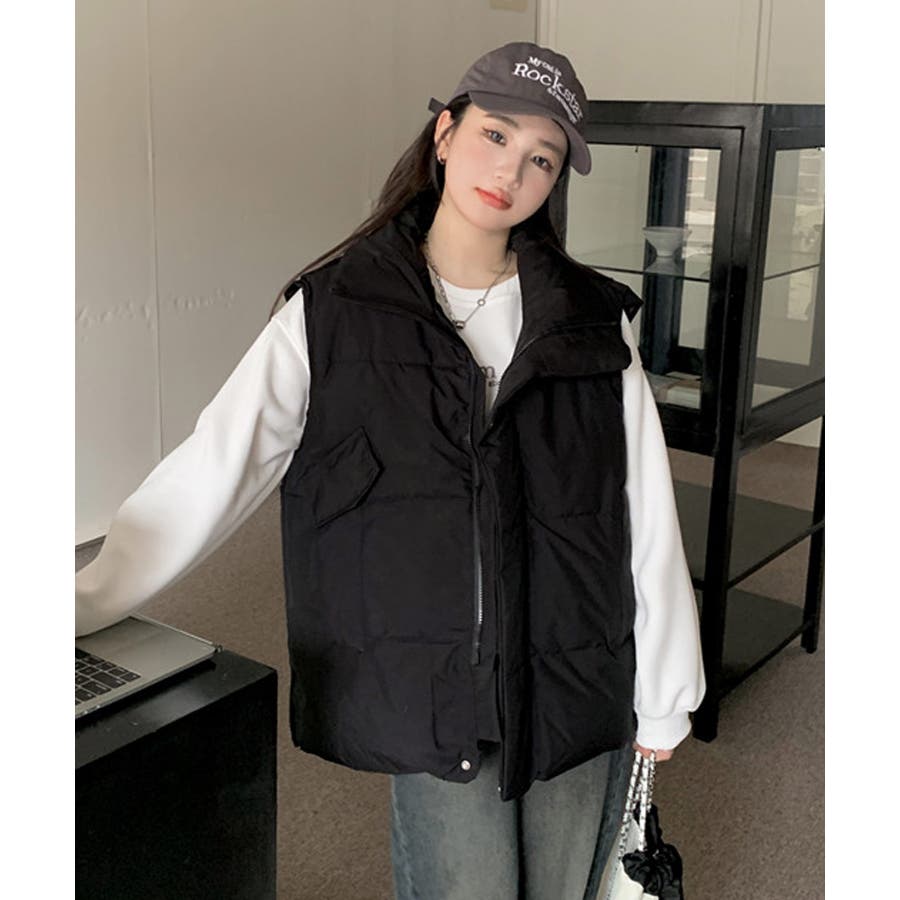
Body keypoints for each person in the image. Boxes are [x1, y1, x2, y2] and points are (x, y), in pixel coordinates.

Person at [76, 42, 705, 900]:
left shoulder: (595, 320)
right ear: (445, 133)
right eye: (494, 135)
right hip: (432, 685)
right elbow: (217, 465)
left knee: (568, 885)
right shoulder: (335, 310)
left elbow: (643, 510)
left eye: (541, 158)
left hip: (574, 667)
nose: (509, 171)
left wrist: (667, 685)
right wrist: (86, 599)